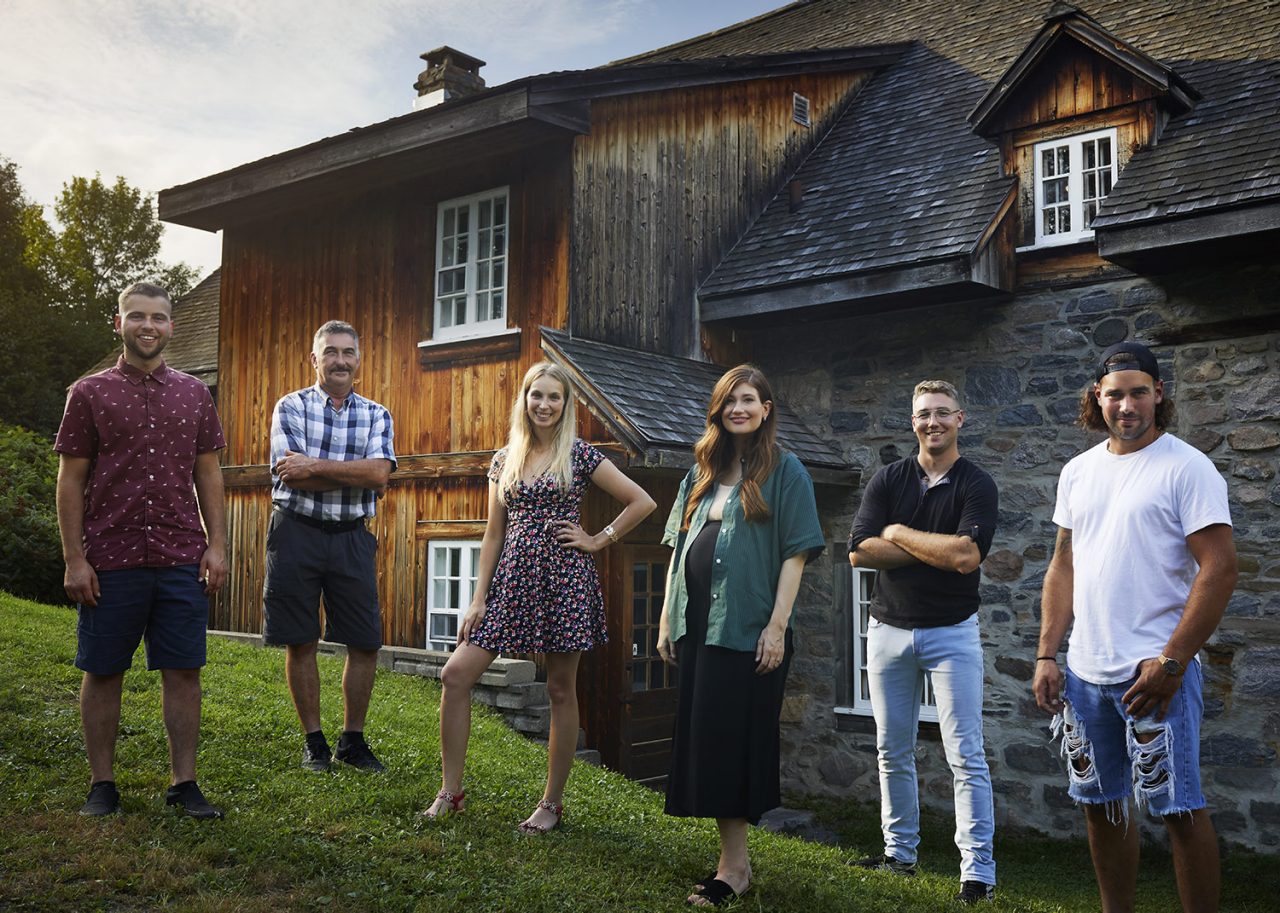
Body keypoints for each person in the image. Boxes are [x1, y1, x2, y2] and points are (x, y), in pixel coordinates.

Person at [1034, 342, 1236, 913]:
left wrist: (1173, 661)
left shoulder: (1187, 467)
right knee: (1102, 807)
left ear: (1158, 394)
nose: (1126, 406)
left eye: (1139, 393)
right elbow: (1064, 565)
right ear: (1097, 397)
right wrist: (1048, 654)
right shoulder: (1078, 472)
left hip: (1155, 673)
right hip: (1085, 674)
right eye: (1115, 394)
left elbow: (1220, 569)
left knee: (1179, 809)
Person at [423, 361, 655, 831]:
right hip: (510, 582)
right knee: (455, 675)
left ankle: (551, 804)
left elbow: (642, 501)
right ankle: (450, 792)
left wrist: (598, 538)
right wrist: (478, 598)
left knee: (560, 689)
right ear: (524, 400)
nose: (544, 404)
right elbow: (493, 534)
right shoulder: (504, 459)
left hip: (564, 581)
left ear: (566, 405)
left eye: (554, 397)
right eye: (537, 395)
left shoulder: (580, 455)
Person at [55, 281, 228, 819]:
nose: (147, 326)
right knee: (104, 670)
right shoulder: (89, 393)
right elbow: (70, 479)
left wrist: (217, 545)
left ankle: (184, 783)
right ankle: (102, 785)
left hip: (181, 555)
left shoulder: (195, 394)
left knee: (184, 671)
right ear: (119, 323)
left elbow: (208, 473)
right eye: (137, 316)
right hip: (111, 557)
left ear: (171, 325)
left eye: (157, 317)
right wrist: (74, 558)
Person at [657, 364, 825, 908]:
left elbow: (797, 553)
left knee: (733, 742)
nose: (739, 409)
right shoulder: (700, 471)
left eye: (749, 399)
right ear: (718, 410)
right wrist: (667, 619)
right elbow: (678, 551)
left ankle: (733, 870)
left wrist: (776, 627)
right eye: (730, 401)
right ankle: (733, 861)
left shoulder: (787, 471)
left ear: (765, 408)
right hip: (698, 626)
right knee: (708, 739)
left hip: (748, 630)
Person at [846, 379, 999, 905]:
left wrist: (896, 533)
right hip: (887, 630)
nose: (932, 422)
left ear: (960, 419)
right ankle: (899, 854)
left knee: (965, 755)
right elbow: (858, 552)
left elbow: (965, 557)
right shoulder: (889, 479)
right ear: (913, 422)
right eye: (923, 414)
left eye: (942, 412)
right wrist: (937, 548)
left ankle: (978, 874)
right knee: (892, 749)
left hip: (952, 632)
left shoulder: (977, 484)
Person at [264, 320, 396, 773]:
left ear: (358, 359)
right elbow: (291, 476)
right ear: (314, 359)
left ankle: (352, 741)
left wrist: (314, 466)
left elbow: (379, 475)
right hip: (295, 533)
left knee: (365, 641)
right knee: (300, 639)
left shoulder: (377, 414)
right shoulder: (290, 406)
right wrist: (354, 472)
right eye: (331, 352)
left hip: (351, 536)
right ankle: (314, 742)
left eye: (348, 352)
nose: (340, 360)